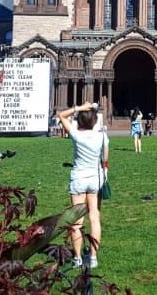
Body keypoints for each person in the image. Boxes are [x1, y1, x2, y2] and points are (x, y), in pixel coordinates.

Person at [57, 102, 109, 269]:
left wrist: (79, 108)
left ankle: (78, 258)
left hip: (78, 178)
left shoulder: (76, 135)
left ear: (79, 120)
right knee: (95, 217)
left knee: (77, 222)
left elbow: (61, 115)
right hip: (95, 179)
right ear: (94, 120)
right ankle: (93, 258)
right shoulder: (102, 136)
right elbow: (105, 159)